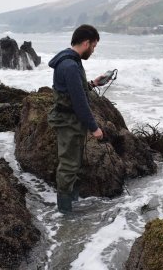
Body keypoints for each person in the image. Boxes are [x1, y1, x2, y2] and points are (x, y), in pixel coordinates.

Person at [47, 24, 107, 214]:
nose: (93, 50)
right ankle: (65, 215)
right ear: (86, 42)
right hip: (69, 123)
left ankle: (71, 203)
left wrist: (93, 83)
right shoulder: (70, 65)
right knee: (68, 165)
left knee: (72, 162)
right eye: (94, 46)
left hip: (70, 121)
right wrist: (94, 128)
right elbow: (79, 102)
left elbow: (73, 90)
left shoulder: (70, 60)